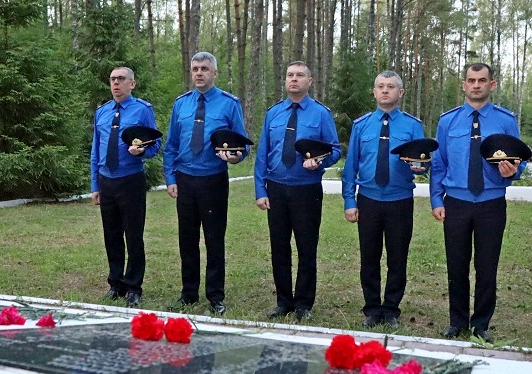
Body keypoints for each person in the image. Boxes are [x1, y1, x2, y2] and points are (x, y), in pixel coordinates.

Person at [430, 62, 526, 342]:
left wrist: (513, 172)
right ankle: (457, 322)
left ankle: (481, 324)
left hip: (491, 203)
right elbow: (439, 164)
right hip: (456, 202)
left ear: (491, 85)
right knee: (456, 265)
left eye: (482, 80)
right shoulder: (448, 121)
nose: (476, 85)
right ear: (464, 85)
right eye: (471, 80)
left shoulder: (505, 121)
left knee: (487, 267)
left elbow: (519, 159)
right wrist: (436, 198)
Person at [254, 61, 341, 321]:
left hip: (307, 189)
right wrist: (260, 189)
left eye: (300, 75)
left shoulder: (321, 114)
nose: (294, 79)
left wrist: (320, 161)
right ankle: (283, 302)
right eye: (290, 75)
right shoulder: (273, 114)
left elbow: (335, 149)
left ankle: (303, 303)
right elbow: (262, 154)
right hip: (276, 188)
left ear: (309, 81)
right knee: (279, 247)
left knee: (306, 247)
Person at [163, 52, 248, 316]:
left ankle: (215, 295)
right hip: (185, 179)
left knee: (214, 239)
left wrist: (235, 156)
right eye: (195, 69)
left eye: (204, 69)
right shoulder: (181, 104)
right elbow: (171, 145)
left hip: (213, 179)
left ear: (215, 73)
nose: (199, 73)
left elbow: (242, 144)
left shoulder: (229, 104)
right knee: (187, 239)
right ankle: (188, 293)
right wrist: (170, 178)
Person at [341, 70, 426, 328]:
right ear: (374, 92)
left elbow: (423, 161)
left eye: (391, 86)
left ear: (401, 92)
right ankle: (372, 309)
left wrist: (421, 167)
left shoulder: (412, 126)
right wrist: (349, 201)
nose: (385, 90)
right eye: (380, 86)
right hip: (368, 199)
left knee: (398, 257)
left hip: (400, 200)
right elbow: (350, 166)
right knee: (369, 257)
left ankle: (391, 309)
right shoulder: (361, 125)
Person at [90, 67, 161, 308]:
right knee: (111, 235)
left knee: (133, 235)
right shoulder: (102, 112)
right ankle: (116, 283)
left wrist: (142, 152)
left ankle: (133, 286)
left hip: (130, 179)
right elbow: (96, 150)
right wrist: (95, 184)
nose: (116, 83)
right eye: (113, 79)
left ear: (132, 84)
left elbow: (155, 144)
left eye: (121, 79)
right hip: (106, 180)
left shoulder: (142, 110)